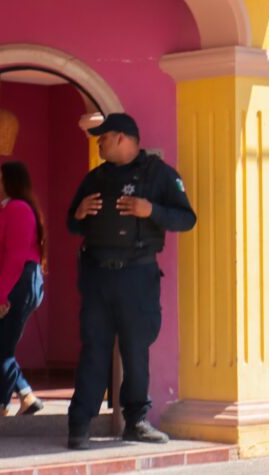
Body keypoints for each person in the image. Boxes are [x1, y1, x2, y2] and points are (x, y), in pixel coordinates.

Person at [65, 112, 196, 450]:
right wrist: (78, 214)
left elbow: (186, 218)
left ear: (122, 138)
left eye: (104, 137)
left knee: (135, 351)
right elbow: (72, 223)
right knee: (94, 350)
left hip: (137, 276)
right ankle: (79, 424)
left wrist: (150, 210)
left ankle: (136, 421)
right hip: (97, 276)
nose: (99, 142)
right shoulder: (94, 178)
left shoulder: (159, 176)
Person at [0, 161, 46, 417]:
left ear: (9, 180)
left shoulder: (18, 209)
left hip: (15, 287)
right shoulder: (5, 210)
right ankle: (26, 394)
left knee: (2, 348)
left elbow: (16, 258)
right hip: (7, 286)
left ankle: (2, 407)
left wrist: (0, 296)